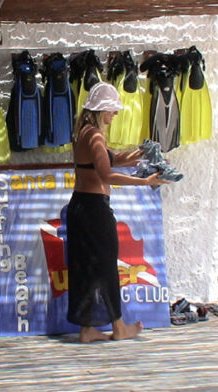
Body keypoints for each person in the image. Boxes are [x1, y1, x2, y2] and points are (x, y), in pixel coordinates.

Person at [66, 82, 170, 343]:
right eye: (112, 111)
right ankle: (119, 327)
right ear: (102, 110)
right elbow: (107, 174)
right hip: (93, 210)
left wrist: (141, 153)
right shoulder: (96, 136)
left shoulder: (83, 133)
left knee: (87, 268)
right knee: (106, 267)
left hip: (80, 207)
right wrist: (145, 182)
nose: (115, 116)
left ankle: (87, 329)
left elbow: (111, 160)